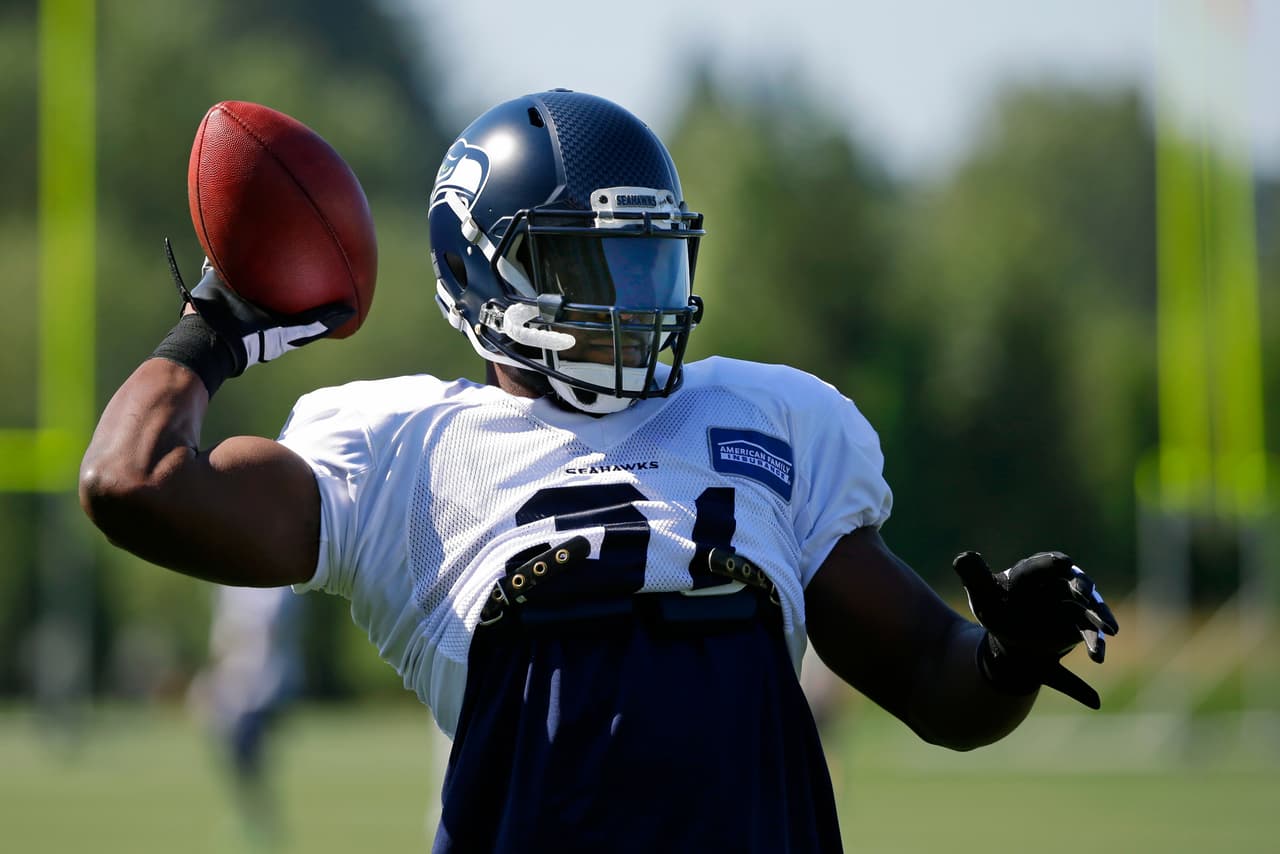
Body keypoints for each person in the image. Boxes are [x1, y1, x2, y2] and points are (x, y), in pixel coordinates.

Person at [80, 89, 1118, 852]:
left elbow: (940, 684)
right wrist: (214, 326)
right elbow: (134, 481)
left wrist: (1006, 656)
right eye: (587, 262)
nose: (629, 299)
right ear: (481, 272)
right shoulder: (401, 446)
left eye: (646, 257)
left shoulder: (772, 417)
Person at [187, 584, 306, 847]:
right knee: (233, 753)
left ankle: (261, 820)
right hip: (234, 681)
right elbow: (222, 635)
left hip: (265, 682)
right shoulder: (227, 585)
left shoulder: (279, 587)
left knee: (245, 751)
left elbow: (274, 630)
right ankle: (257, 816)